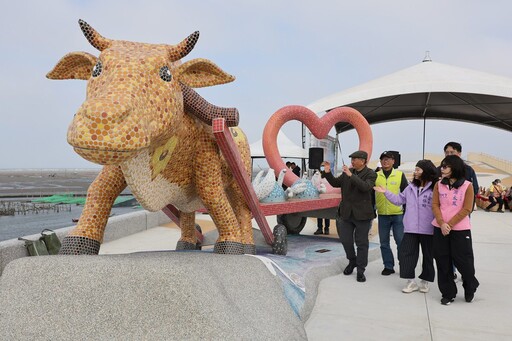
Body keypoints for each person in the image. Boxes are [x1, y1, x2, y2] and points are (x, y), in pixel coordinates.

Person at [374, 160, 438, 294]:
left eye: (418, 170)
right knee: (406, 255)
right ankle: (411, 282)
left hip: (429, 229)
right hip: (410, 228)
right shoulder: (410, 188)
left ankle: (425, 282)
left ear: (426, 171)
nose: (415, 172)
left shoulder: (435, 188)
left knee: (428, 256)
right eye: (415, 169)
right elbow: (399, 200)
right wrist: (385, 192)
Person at [321, 150, 377, 283]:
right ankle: (352, 261)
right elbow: (335, 183)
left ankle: (361, 269)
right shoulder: (347, 173)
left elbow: (365, 187)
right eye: (351, 159)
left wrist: (351, 175)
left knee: (362, 243)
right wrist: (328, 172)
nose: (352, 161)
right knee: (346, 240)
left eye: (355, 159)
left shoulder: (371, 174)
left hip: (363, 214)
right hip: (346, 213)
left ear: (363, 161)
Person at [432, 155, 479, 305]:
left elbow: (467, 208)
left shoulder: (467, 186)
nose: (442, 169)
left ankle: (470, 285)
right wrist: (441, 223)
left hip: (460, 229)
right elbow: (435, 205)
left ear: (455, 168)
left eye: (445, 166)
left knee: (464, 262)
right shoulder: (438, 184)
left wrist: (449, 224)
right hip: (440, 228)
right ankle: (448, 292)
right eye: (442, 166)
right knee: (442, 261)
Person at [374, 151, 408, 276]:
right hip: (382, 214)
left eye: (388, 159)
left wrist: (407, 211)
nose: (385, 161)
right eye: (383, 159)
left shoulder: (399, 175)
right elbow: (372, 194)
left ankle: (404, 265)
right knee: (384, 242)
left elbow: (406, 194)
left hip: (398, 214)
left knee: (400, 242)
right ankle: (388, 266)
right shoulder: (376, 175)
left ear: (393, 161)